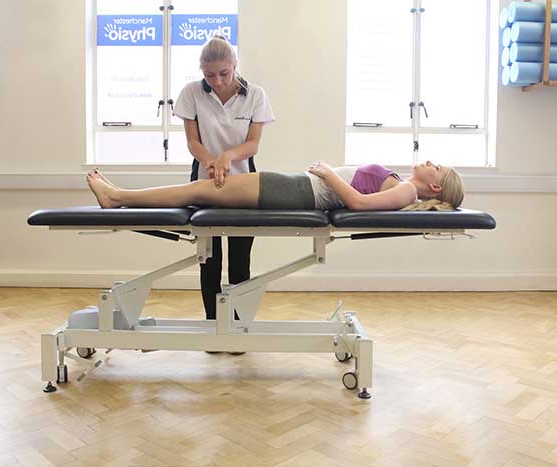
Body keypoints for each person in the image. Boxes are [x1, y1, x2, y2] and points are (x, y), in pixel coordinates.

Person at [172, 35, 275, 336]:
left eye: (224, 73)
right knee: (210, 260)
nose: (217, 81)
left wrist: (228, 156)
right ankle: (213, 327)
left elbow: (253, 144)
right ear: (201, 71)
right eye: (209, 75)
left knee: (240, 261)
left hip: (244, 182)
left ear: (235, 65)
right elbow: (193, 142)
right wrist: (212, 162)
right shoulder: (191, 93)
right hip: (205, 182)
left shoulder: (255, 94)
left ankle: (239, 326)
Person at [86, 160, 465, 213]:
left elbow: (359, 204)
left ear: (434, 186)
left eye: (437, 166)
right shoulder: (405, 186)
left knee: (197, 191)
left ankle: (116, 197)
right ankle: (117, 195)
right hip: (299, 188)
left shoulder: (409, 191)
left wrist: (330, 173)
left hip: (300, 191)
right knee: (198, 191)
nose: (430, 161)